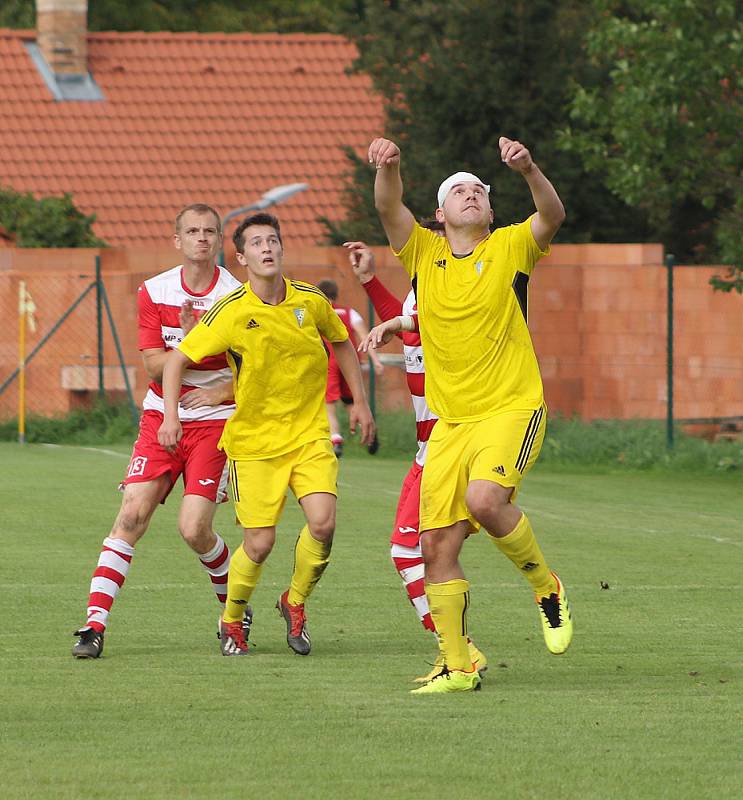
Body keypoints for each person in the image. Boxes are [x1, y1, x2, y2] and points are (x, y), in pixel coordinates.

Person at [363, 136, 573, 693]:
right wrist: (391, 167)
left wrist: (528, 169)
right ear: (439, 213)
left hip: (510, 406)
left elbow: (552, 214)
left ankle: (544, 585)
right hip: (450, 423)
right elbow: (388, 207)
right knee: (435, 548)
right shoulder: (423, 254)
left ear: (490, 207)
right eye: (459, 190)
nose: (471, 194)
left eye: (479, 189)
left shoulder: (508, 248)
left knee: (485, 499)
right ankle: (458, 666)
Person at [158, 212, 375, 657]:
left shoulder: (311, 301)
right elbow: (178, 359)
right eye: (256, 243)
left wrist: (363, 404)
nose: (267, 248)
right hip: (254, 443)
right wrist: (170, 417)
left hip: (309, 435)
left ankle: (294, 602)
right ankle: (233, 619)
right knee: (259, 544)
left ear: (282, 249)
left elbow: (341, 344)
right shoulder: (231, 311)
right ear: (241, 257)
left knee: (323, 522)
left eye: (272, 240)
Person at [72, 203, 244, 659]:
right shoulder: (154, 290)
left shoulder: (237, 296)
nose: (202, 238)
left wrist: (215, 382)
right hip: (159, 417)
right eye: (192, 231)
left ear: (219, 239)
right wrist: (193, 347)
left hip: (214, 424)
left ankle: (233, 612)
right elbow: (151, 362)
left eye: (210, 231)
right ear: (177, 240)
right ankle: (93, 626)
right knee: (131, 514)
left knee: (194, 531)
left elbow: (249, 367)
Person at [343, 237, 487, 683]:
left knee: (408, 551)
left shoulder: (457, 295)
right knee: (408, 551)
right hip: (428, 448)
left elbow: (417, 324)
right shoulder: (422, 290)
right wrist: (369, 280)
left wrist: (391, 319)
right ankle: (458, 651)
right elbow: (406, 321)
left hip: (449, 446)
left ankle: (460, 652)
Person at [316, 278, 383, 457]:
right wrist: (375, 361)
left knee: (328, 404)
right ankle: (369, 432)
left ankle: (336, 439)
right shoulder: (349, 312)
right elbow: (365, 337)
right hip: (350, 363)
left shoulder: (318, 312)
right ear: (336, 294)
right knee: (352, 402)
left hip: (329, 362)